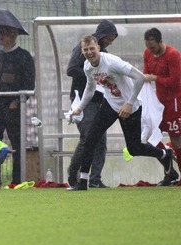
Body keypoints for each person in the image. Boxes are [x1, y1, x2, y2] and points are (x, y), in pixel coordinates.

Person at [67, 35, 174, 191]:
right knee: (91, 138)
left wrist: (129, 103)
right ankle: (83, 182)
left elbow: (140, 77)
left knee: (134, 149)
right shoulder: (87, 66)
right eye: (86, 50)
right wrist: (80, 107)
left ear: (98, 48)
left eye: (92, 49)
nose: (89, 52)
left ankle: (165, 154)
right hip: (110, 105)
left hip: (130, 106)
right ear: (82, 51)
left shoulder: (112, 62)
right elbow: (90, 89)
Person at [66, 20, 117, 188]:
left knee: (100, 141)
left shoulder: (104, 54)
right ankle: (73, 174)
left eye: (112, 39)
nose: (110, 42)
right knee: (87, 138)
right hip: (82, 100)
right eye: (109, 38)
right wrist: (92, 76)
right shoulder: (82, 50)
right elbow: (71, 69)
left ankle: (94, 179)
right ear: (102, 35)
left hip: (98, 101)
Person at [0, 25, 36, 184]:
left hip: (13, 107)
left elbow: (29, 82)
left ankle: (17, 180)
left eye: (4, 34)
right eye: (0, 34)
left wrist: (16, 102)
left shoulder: (24, 56)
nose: (0, 37)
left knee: (17, 144)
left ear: (13, 36)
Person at [142, 27, 181, 186]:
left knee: (176, 139)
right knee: (149, 134)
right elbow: (145, 74)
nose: (151, 51)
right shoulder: (147, 54)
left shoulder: (172, 55)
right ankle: (169, 168)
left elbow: (174, 81)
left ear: (160, 42)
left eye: (153, 47)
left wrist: (154, 77)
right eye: (148, 47)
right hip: (158, 102)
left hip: (174, 102)